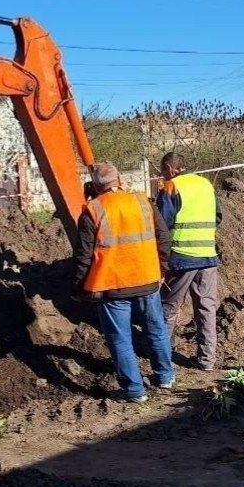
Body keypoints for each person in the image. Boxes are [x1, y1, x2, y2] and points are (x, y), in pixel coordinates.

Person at [73, 162, 175, 403]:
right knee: (156, 329)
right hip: (148, 279)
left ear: (96, 186)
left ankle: (134, 391)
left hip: (113, 286)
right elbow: (163, 239)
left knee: (120, 339)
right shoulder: (143, 202)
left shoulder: (93, 209)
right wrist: (163, 269)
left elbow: (83, 255)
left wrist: (77, 286)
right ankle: (166, 377)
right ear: (119, 180)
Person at [156, 152, 221, 371]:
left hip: (182, 256)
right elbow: (218, 216)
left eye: (163, 170)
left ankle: (162, 359)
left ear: (169, 167)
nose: (163, 175)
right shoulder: (205, 184)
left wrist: (161, 259)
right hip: (208, 255)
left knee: (169, 307)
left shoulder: (170, 187)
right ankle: (207, 360)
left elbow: (162, 225)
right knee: (206, 307)